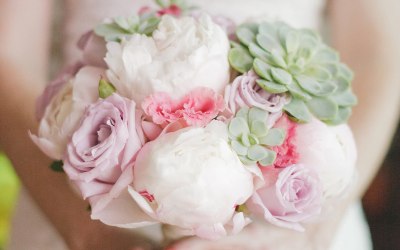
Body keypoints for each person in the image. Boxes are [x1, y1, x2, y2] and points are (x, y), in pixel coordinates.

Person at [0, 0, 399, 249]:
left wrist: (313, 234)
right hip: (68, 207)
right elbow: (7, 57)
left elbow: (379, 53)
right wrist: (87, 235)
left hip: (295, 224)